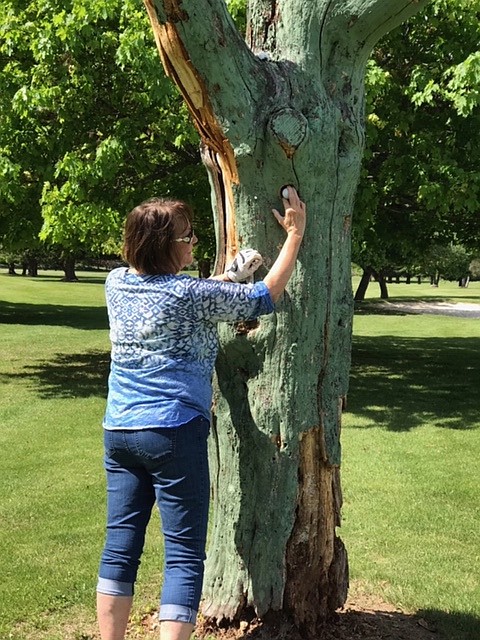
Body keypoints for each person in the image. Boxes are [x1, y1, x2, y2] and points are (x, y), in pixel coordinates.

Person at [96, 186, 306, 640]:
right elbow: (263, 298)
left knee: (119, 548)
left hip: (120, 431)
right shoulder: (187, 294)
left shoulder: (116, 283)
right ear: (165, 247)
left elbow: (188, 298)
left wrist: (228, 278)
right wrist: (294, 235)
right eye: (187, 238)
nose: (194, 243)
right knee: (184, 553)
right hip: (172, 432)